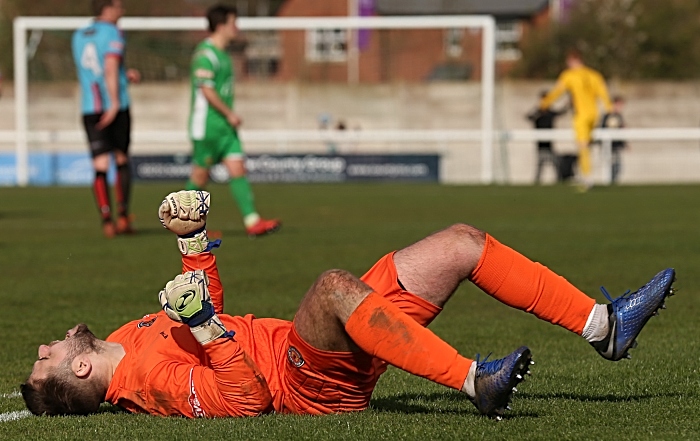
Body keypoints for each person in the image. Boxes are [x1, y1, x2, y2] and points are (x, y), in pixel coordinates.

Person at [21, 190, 676, 420]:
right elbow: (245, 399)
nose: (44, 346)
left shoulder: (122, 337)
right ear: (79, 372)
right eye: (45, 361)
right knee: (333, 284)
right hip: (306, 385)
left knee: (460, 243)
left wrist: (193, 243)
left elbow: (207, 306)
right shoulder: (146, 385)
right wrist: (204, 323)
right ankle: (476, 380)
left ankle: (605, 326)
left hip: (318, 356)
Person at [187, 5, 280, 238]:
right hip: (207, 126)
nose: (236, 28)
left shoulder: (224, 56)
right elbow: (207, 91)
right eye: (233, 23)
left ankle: (252, 221)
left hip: (226, 129)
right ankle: (182, 222)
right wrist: (229, 113)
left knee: (238, 169)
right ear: (221, 26)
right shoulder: (205, 54)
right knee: (200, 176)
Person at [71, 0, 141, 238]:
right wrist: (113, 103)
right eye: (119, 6)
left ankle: (106, 220)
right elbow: (109, 67)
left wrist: (125, 73)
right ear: (107, 8)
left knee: (100, 164)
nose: (122, 11)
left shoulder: (79, 35)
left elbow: (94, 69)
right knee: (121, 158)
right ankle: (123, 217)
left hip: (89, 106)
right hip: (115, 105)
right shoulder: (113, 32)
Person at [540, 50, 612, 192]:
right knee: (586, 146)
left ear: (572, 61)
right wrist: (609, 108)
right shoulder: (594, 74)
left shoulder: (569, 76)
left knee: (582, 146)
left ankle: (587, 178)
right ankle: (587, 174)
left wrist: (545, 102)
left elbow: (557, 91)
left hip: (581, 115)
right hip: (594, 114)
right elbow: (603, 92)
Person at [527, 90, 567, 184]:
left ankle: (559, 181)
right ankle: (537, 183)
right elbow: (529, 117)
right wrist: (539, 109)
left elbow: (561, 112)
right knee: (540, 166)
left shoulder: (550, 113)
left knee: (556, 164)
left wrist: (568, 104)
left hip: (550, 146)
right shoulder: (538, 113)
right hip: (540, 146)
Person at [599, 96, 627, 184]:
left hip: (616, 147)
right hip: (608, 146)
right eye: (619, 105)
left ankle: (612, 182)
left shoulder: (619, 116)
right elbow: (602, 129)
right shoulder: (608, 116)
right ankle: (608, 182)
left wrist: (624, 144)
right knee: (609, 165)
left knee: (617, 166)